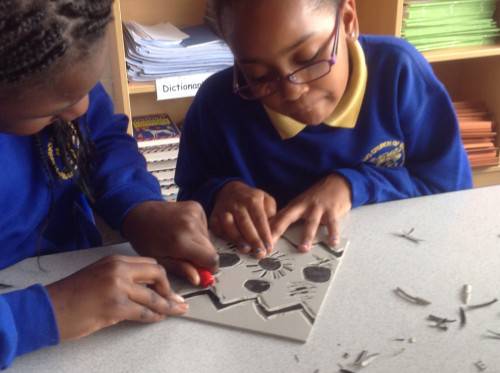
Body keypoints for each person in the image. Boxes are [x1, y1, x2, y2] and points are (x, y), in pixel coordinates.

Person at [0, 0, 218, 367]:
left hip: (75, 270)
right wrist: (40, 315)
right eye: (51, 112)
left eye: (91, 87)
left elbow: (99, 138)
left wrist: (138, 207)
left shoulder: (55, 52)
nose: (81, 109)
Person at [175, 0, 472, 258]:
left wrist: (354, 186)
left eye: (308, 59)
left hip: (394, 262)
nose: (292, 91)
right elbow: (190, 199)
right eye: (259, 75)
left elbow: (451, 192)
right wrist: (220, 195)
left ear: (347, 20)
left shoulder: (399, 74)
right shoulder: (217, 104)